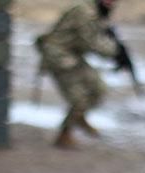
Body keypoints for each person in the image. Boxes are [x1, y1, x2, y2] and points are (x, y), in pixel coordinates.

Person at [35, 0, 122, 148]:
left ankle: (79, 117)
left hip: (74, 55)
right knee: (79, 99)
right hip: (59, 57)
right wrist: (116, 52)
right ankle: (64, 135)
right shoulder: (85, 11)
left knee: (98, 90)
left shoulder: (95, 10)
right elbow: (91, 42)